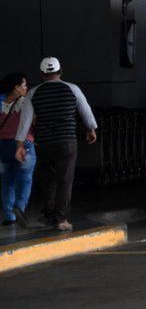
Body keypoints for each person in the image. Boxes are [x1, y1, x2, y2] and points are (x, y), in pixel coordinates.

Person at [15, 57, 98, 231]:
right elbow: (86, 111)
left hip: (43, 143)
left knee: (48, 180)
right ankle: (60, 219)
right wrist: (91, 129)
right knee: (64, 180)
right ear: (60, 72)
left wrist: (20, 146)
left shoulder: (33, 93)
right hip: (66, 141)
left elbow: (25, 121)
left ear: (42, 74)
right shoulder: (72, 89)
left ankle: (48, 215)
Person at [0, 73, 35, 227]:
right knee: (25, 178)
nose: (26, 88)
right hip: (24, 144)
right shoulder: (26, 102)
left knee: (7, 181)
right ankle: (19, 207)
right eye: (24, 85)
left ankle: (9, 215)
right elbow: (33, 121)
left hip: (2, 146)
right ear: (17, 87)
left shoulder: (0, 101)